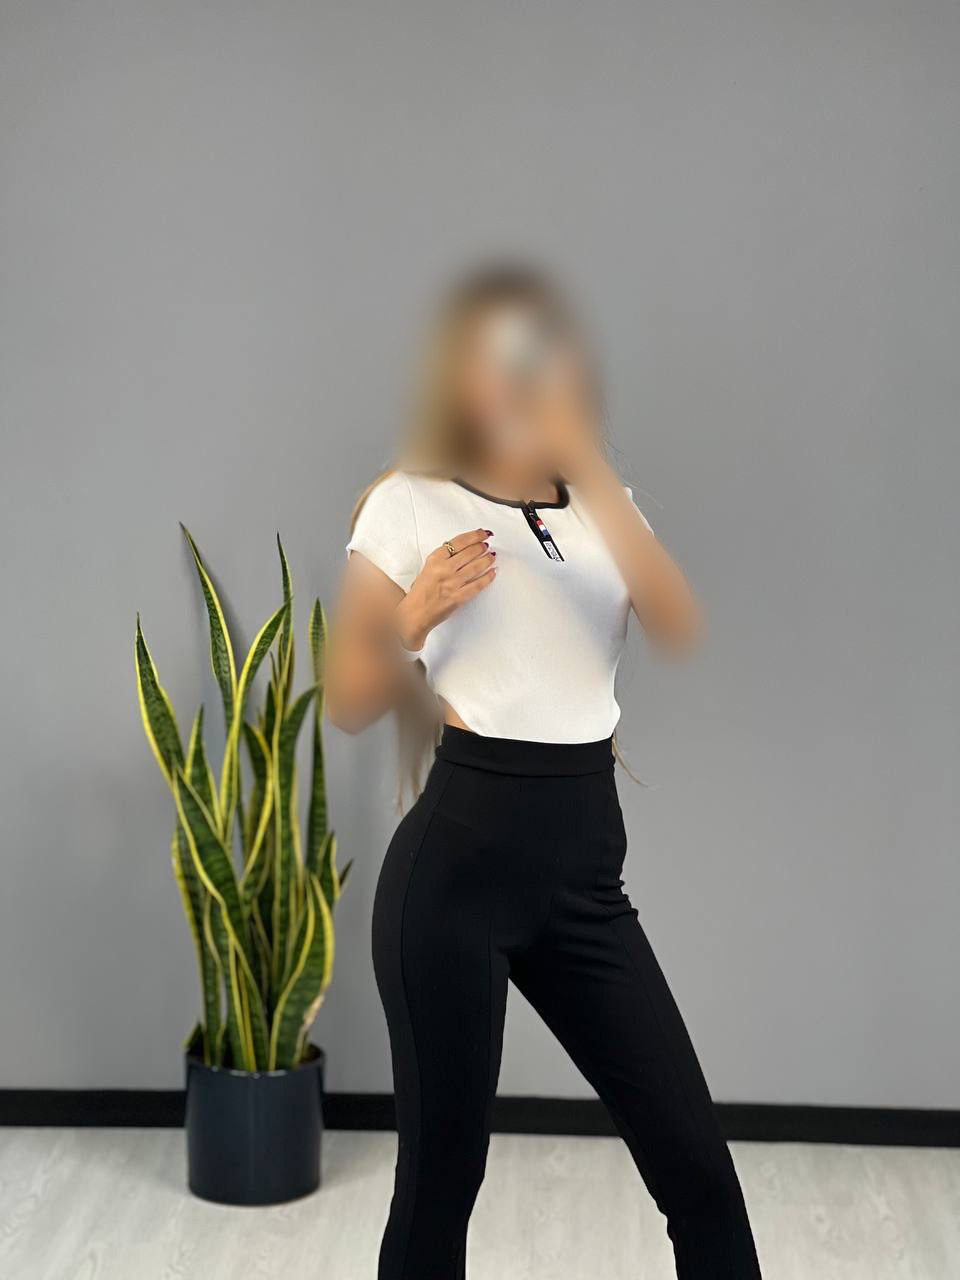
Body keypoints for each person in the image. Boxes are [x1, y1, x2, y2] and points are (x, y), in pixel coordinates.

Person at [325, 265, 762, 1279]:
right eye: (494, 356)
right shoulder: (409, 504)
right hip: (452, 881)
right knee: (440, 1188)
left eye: (537, 352)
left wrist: (589, 464)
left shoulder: (605, 508)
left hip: (584, 885)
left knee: (699, 1173)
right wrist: (412, 617)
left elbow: (675, 621)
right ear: (460, 377)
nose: (518, 374)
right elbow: (346, 697)